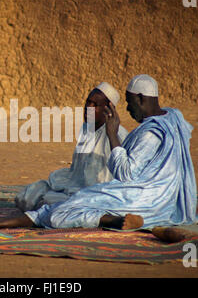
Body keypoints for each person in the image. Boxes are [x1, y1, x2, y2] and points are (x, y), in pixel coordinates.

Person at [0, 74, 198, 230]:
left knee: (62, 211)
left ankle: (115, 220)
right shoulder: (173, 119)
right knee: (40, 195)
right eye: (87, 103)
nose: (127, 109)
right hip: (153, 197)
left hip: (138, 196)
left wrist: (112, 134)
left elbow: (126, 175)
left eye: (129, 102)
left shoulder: (147, 133)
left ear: (141, 98)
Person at [15, 82, 129, 211]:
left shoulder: (117, 135)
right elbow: (77, 170)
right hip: (75, 186)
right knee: (29, 194)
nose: (88, 108)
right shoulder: (86, 128)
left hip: (98, 195)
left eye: (95, 105)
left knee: (49, 202)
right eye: (88, 102)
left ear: (108, 109)